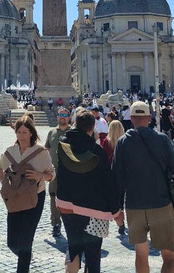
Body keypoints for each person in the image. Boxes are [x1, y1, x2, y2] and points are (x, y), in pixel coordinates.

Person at [114, 101, 174, 273]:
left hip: (134, 206)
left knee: (141, 254)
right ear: (149, 118)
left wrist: (117, 209)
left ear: (131, 119)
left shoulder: (122, 143)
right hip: (161, 205)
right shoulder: (162, 140)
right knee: (169, 256)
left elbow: (117, 178)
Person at [56, 108, 120, 273]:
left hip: (66, 205)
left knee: (74, 245)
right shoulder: (97, 151)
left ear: (75, 124)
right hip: (92, 209)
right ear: (92, 128)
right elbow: (107, 182)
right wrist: (116, 210)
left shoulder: (63, 145)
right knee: (92, 253)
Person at [0, 116, 54, 273]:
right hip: (14, 198)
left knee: (26, 240)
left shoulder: (41, 152)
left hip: (35, 198)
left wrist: (39, 176)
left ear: (31, 133)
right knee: (12, 242)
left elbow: (51, 174)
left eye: (24, 132)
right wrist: (4, 183)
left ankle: (24, 261)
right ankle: (25, 255)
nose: (21, 136)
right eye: (19, 132)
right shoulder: (10, 152)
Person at [45, 107, 71, 238]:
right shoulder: (52, 132)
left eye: (65, 115)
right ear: (57, 117)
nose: (62, 117)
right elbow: (47, 148)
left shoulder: (73, 132)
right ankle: (55, 223)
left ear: (69, 117)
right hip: (54, 172)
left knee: (69, 198)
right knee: (53, 197)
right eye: (60, 115)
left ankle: (71, 225)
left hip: (70, 173)